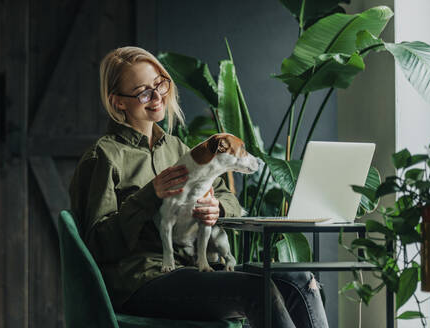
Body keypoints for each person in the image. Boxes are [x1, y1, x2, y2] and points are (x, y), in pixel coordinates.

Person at [69, 46, 329, 328]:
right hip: (142, 282)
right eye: (143, 92)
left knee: (300, 280)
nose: (157, 97)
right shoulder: (104, 157)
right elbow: (95, 244)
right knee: (257, 292)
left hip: (196, 269)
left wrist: (216, 208)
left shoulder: (178, 148)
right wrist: (149, 195)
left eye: (160, 84)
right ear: (118, 102)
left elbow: (226, 197)